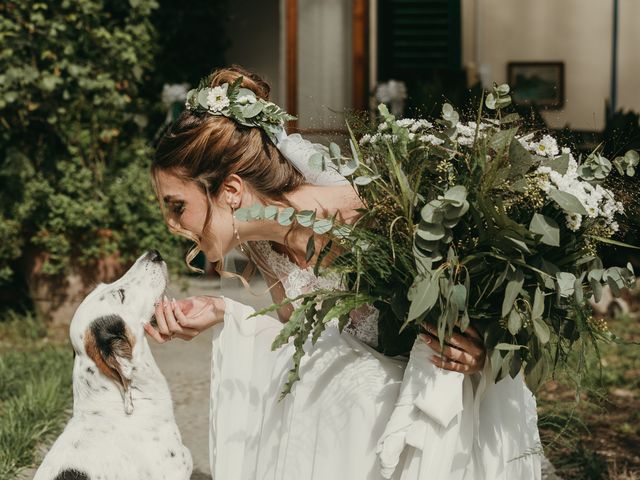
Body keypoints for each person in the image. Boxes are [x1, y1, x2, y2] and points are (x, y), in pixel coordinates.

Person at [144, 66, 542, 479]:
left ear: (230, 190)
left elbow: (482, 295)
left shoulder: (367, 214)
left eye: (177, 206)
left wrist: (484, 351)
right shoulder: (262, 244)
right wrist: (221, 310)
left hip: (428, 427)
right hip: (351, 430)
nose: (173, 226)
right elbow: (303, 345)